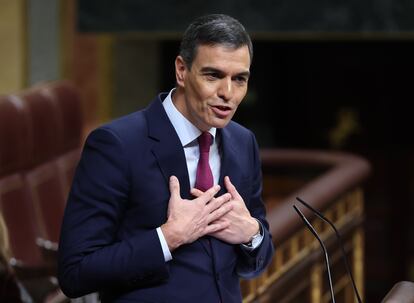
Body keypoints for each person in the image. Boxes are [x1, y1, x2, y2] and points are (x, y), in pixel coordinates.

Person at [58, 13, 274, 302]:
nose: (228, 93)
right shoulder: (117, 145)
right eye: (213, 75)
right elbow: (75, 272)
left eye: (240, 79)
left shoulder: (243, 142)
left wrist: (251, 233)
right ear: (182, 71)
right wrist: (169, 237)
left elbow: (256, 258)